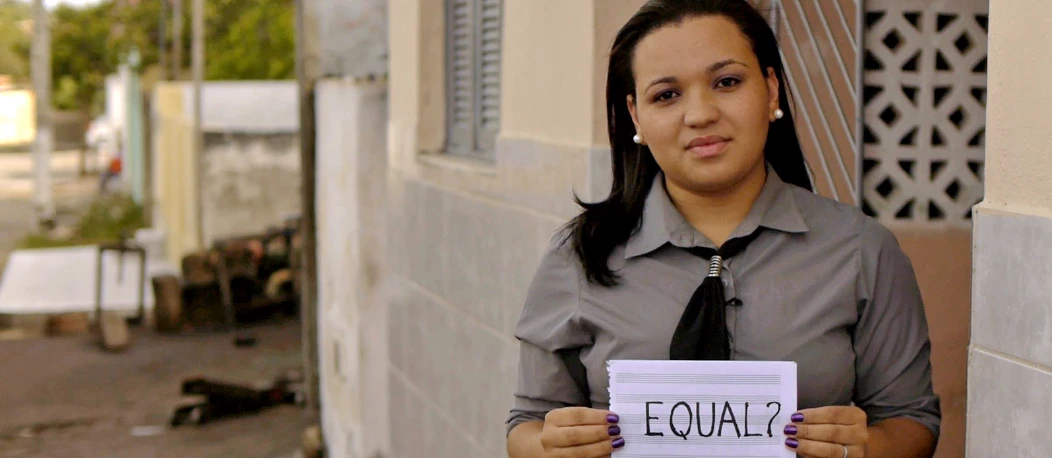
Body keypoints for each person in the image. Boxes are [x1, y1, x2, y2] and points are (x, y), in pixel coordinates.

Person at [505, 1, 940, 457]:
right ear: (636, 116)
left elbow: (912, 421)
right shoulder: (581, 254)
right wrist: (552, 447)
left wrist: (866, 447)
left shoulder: (861, 250)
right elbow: (526, 426)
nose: (700, 114)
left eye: (727, 82)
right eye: (666, 95)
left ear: (771, 91)